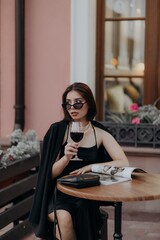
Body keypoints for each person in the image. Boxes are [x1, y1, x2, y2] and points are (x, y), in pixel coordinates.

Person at [29, 82, 129, 240]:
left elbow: (123, 162)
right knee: (64, 218)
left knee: (79, 211)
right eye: (68, 104)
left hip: (86, 195)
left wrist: (92, 167)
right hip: (58, 193)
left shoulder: (99, 133)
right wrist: (65, 158)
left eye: (77, 102)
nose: (72, 108)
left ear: (88, 103)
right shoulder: (58, 130)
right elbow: (48, 175)